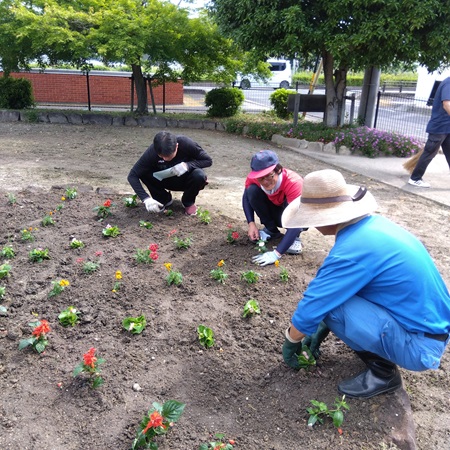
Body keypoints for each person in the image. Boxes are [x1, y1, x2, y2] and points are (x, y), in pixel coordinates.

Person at [281, 169, 450, 398]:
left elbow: (314, 304)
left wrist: (291, 341)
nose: (309, 225)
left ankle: (384, 374)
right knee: (336, 298)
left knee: (332, 307)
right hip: (430, 328)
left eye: (311, 217)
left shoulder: (351, 251)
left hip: (419, 346)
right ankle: (382, 348)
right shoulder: (372, 227)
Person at [242, 150, 305, 267]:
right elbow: (246, 197)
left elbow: (298, 219)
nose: (265, 182)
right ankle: (271, 230)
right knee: (251, 190)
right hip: (277, 211)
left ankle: (294, 237)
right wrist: (251, 223)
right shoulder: (255, 179)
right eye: (261, 178)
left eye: (269, 176)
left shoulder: (294, 183)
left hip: (298, 217)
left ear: (278, 170)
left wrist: (276, 254)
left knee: (295, 205)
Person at [127, 131, 212, 216]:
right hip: (163, 180)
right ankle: (163, 199)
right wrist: (145, 198)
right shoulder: (152, 152)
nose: (165, 159)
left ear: (177, 146)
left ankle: (188, 202)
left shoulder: (186, 144)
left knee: (199, 175)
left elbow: (208, 160)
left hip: (185, 180)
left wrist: (188, 165)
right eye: (161, 156)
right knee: (143, 171)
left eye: (169, 156)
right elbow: (132, 175)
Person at [409, 77, 450, 188]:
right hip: (439, 127)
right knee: (429, 152)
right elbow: (447, 105)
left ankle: (415, 178)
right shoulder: (448, 83)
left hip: (447, 127)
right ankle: (415, 178)